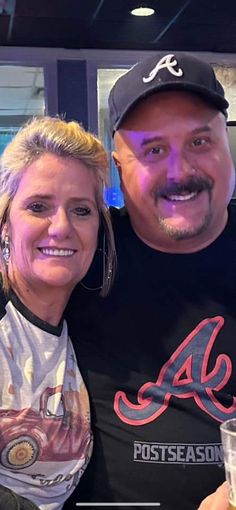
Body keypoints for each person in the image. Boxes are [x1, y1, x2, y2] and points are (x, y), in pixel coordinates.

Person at [65, 51, 236, 510]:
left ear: (227, 145)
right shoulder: (80, 253)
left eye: (200, 142)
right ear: (119, 166)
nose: (180, 172)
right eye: (154, 150)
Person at [0, 116, 116, 510]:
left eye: (81, 210)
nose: (61, 227)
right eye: (38, 206)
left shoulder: (87, 323)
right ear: (5, 223)